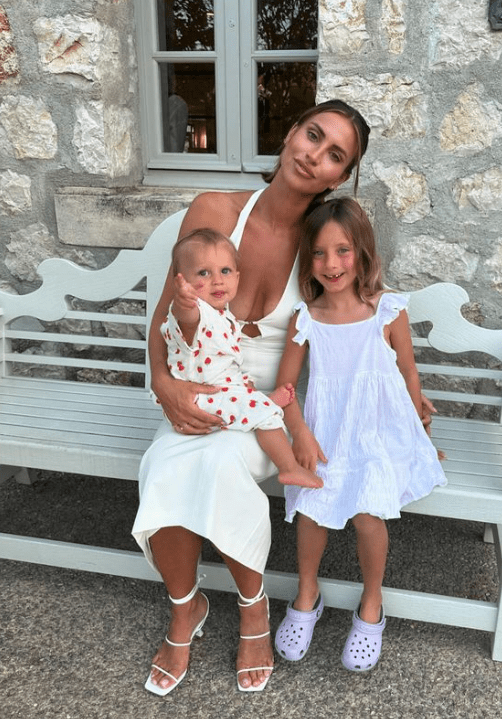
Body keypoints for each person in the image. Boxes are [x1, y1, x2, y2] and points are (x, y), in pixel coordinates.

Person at [132, 99, 374, 695]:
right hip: (196, 387)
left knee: (218, 462)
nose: (314, 154)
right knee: (164, 463)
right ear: (292, 132)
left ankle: (252, 608)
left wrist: (394, 404)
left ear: (339, 176)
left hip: (265, 408)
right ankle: (185, 607)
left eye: (334, 155)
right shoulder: (216, 210)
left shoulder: (326, 241)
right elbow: (166, 314)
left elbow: (359, 320)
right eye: (312, 135)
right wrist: (165, 387)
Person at [273, 197, 447, 672]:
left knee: (370, 514)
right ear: (307, 259)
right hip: (327, 435)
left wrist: (418, 427)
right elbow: (285, 390)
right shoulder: (305, 319)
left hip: (377, 434)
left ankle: (372, 603)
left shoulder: (387, 311)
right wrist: (301, 436)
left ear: (363, 251)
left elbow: (408, 375)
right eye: (320, 253)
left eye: (343, 250)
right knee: (311, 512)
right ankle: (307, 592)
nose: (332, 264)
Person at [162, 227, 322, 489]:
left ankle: (260, 400)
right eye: (203, 273)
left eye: (225, 271)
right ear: (183, 282)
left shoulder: (223, 314)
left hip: (221, 390)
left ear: (237, 277)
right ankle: (289, 468)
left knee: (248, 393)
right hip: (199, 401)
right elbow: (186, 320)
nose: (217, 280)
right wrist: (183, 302)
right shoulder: (197, 313)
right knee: (267, 416)